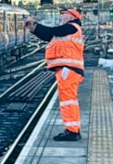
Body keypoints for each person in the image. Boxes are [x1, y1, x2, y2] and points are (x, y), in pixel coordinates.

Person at [24, 8, 85, 141]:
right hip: (68, 69)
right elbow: (48, 35)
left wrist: (35, 23)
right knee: (69, 100)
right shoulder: (67, 30)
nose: (62, 17)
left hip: (69, 69)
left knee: (68, 101)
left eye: (64, 15)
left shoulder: (71, 27)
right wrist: (33, 28)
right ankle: (73, 129)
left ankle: (72, 131)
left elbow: (51, 31)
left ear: (72, 17)